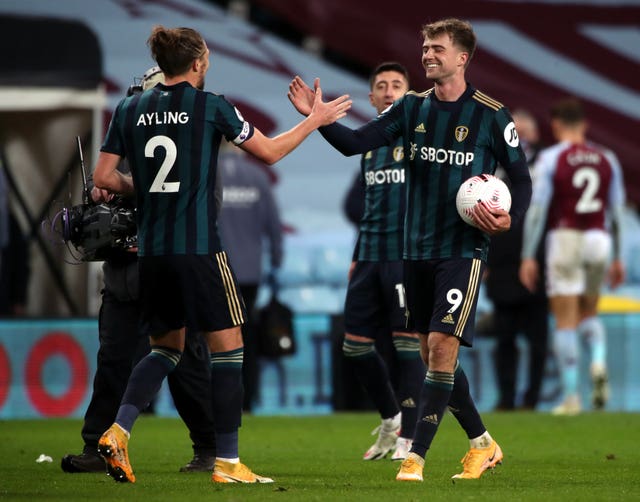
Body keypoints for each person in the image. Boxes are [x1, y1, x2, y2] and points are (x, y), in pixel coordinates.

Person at [92, 25, 350, 484]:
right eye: (206, 55)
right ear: (197, 63)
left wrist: (146, 190)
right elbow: (269, 153)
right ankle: (228, 462)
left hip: (152, 254)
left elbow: (105, 178)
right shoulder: (213, 107)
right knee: (229, 352)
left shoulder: (129, 108)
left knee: (164, 351)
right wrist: (314, 120)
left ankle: (118, 429)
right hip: (200, 251)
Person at [288, 18, 531, 482]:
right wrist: (316, 119)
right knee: (428, 354)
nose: (427, 55)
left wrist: (509, 218)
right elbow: (355, 143)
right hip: (414, 251)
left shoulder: (491, 115)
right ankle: (482, 443)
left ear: (463, 57)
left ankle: (415, 457)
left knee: (441, 348)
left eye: (437, 48)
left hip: (463, 250)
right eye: (425, 48)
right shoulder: (410, 109)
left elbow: (519, 177)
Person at [61, 66, 217, 475]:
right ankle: (97, 446)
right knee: (113, 360)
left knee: (186, 363)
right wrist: (99, 204)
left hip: (166, 264)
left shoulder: (192, 144)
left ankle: (208, 448)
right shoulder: (123, 145)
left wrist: (126, 196)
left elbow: (205, 207)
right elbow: (98, 198)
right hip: (126, 273)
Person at [339, 62, 424, 461]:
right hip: (369, 255)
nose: (389, 91)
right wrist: (357, 256)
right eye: (381, 87)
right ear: (371, 98)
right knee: (354, 346)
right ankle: (391, 418)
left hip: (404, 257)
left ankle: (409, 437)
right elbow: (367, 206)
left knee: (407, 345)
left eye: (397, 86)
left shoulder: (420, 141)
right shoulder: (368, 147)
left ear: (409, 96)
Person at [519, 97, 626, 415]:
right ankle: (597, 361)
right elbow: (617, 214)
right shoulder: (607, 158)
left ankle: (570, 396)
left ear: (556, 125)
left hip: (565, 237)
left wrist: (528, 255)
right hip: (598, 238)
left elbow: (537, 211)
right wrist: (618, 257)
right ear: (585, 125)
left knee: (564, 321)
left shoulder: (551, 158)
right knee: (589, 313)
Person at [485, 108, 548, 411]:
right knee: (504, 336)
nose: (520, 138)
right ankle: (506, 398)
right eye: (515, 132)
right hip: (499, 263)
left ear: (535, 135)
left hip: (538, 262)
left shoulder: (546, 166)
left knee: (537, 337)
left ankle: (533, 398)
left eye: (524, 132)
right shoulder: (491, 168)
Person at [217, 141, 283, 412]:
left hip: (217, 269)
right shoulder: (257, 177)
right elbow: (274, 225)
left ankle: (218, 400)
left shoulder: (209, 173)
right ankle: (248, 399)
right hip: (250, 272)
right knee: (248, 337)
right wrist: (276, 262)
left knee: (216, 338)